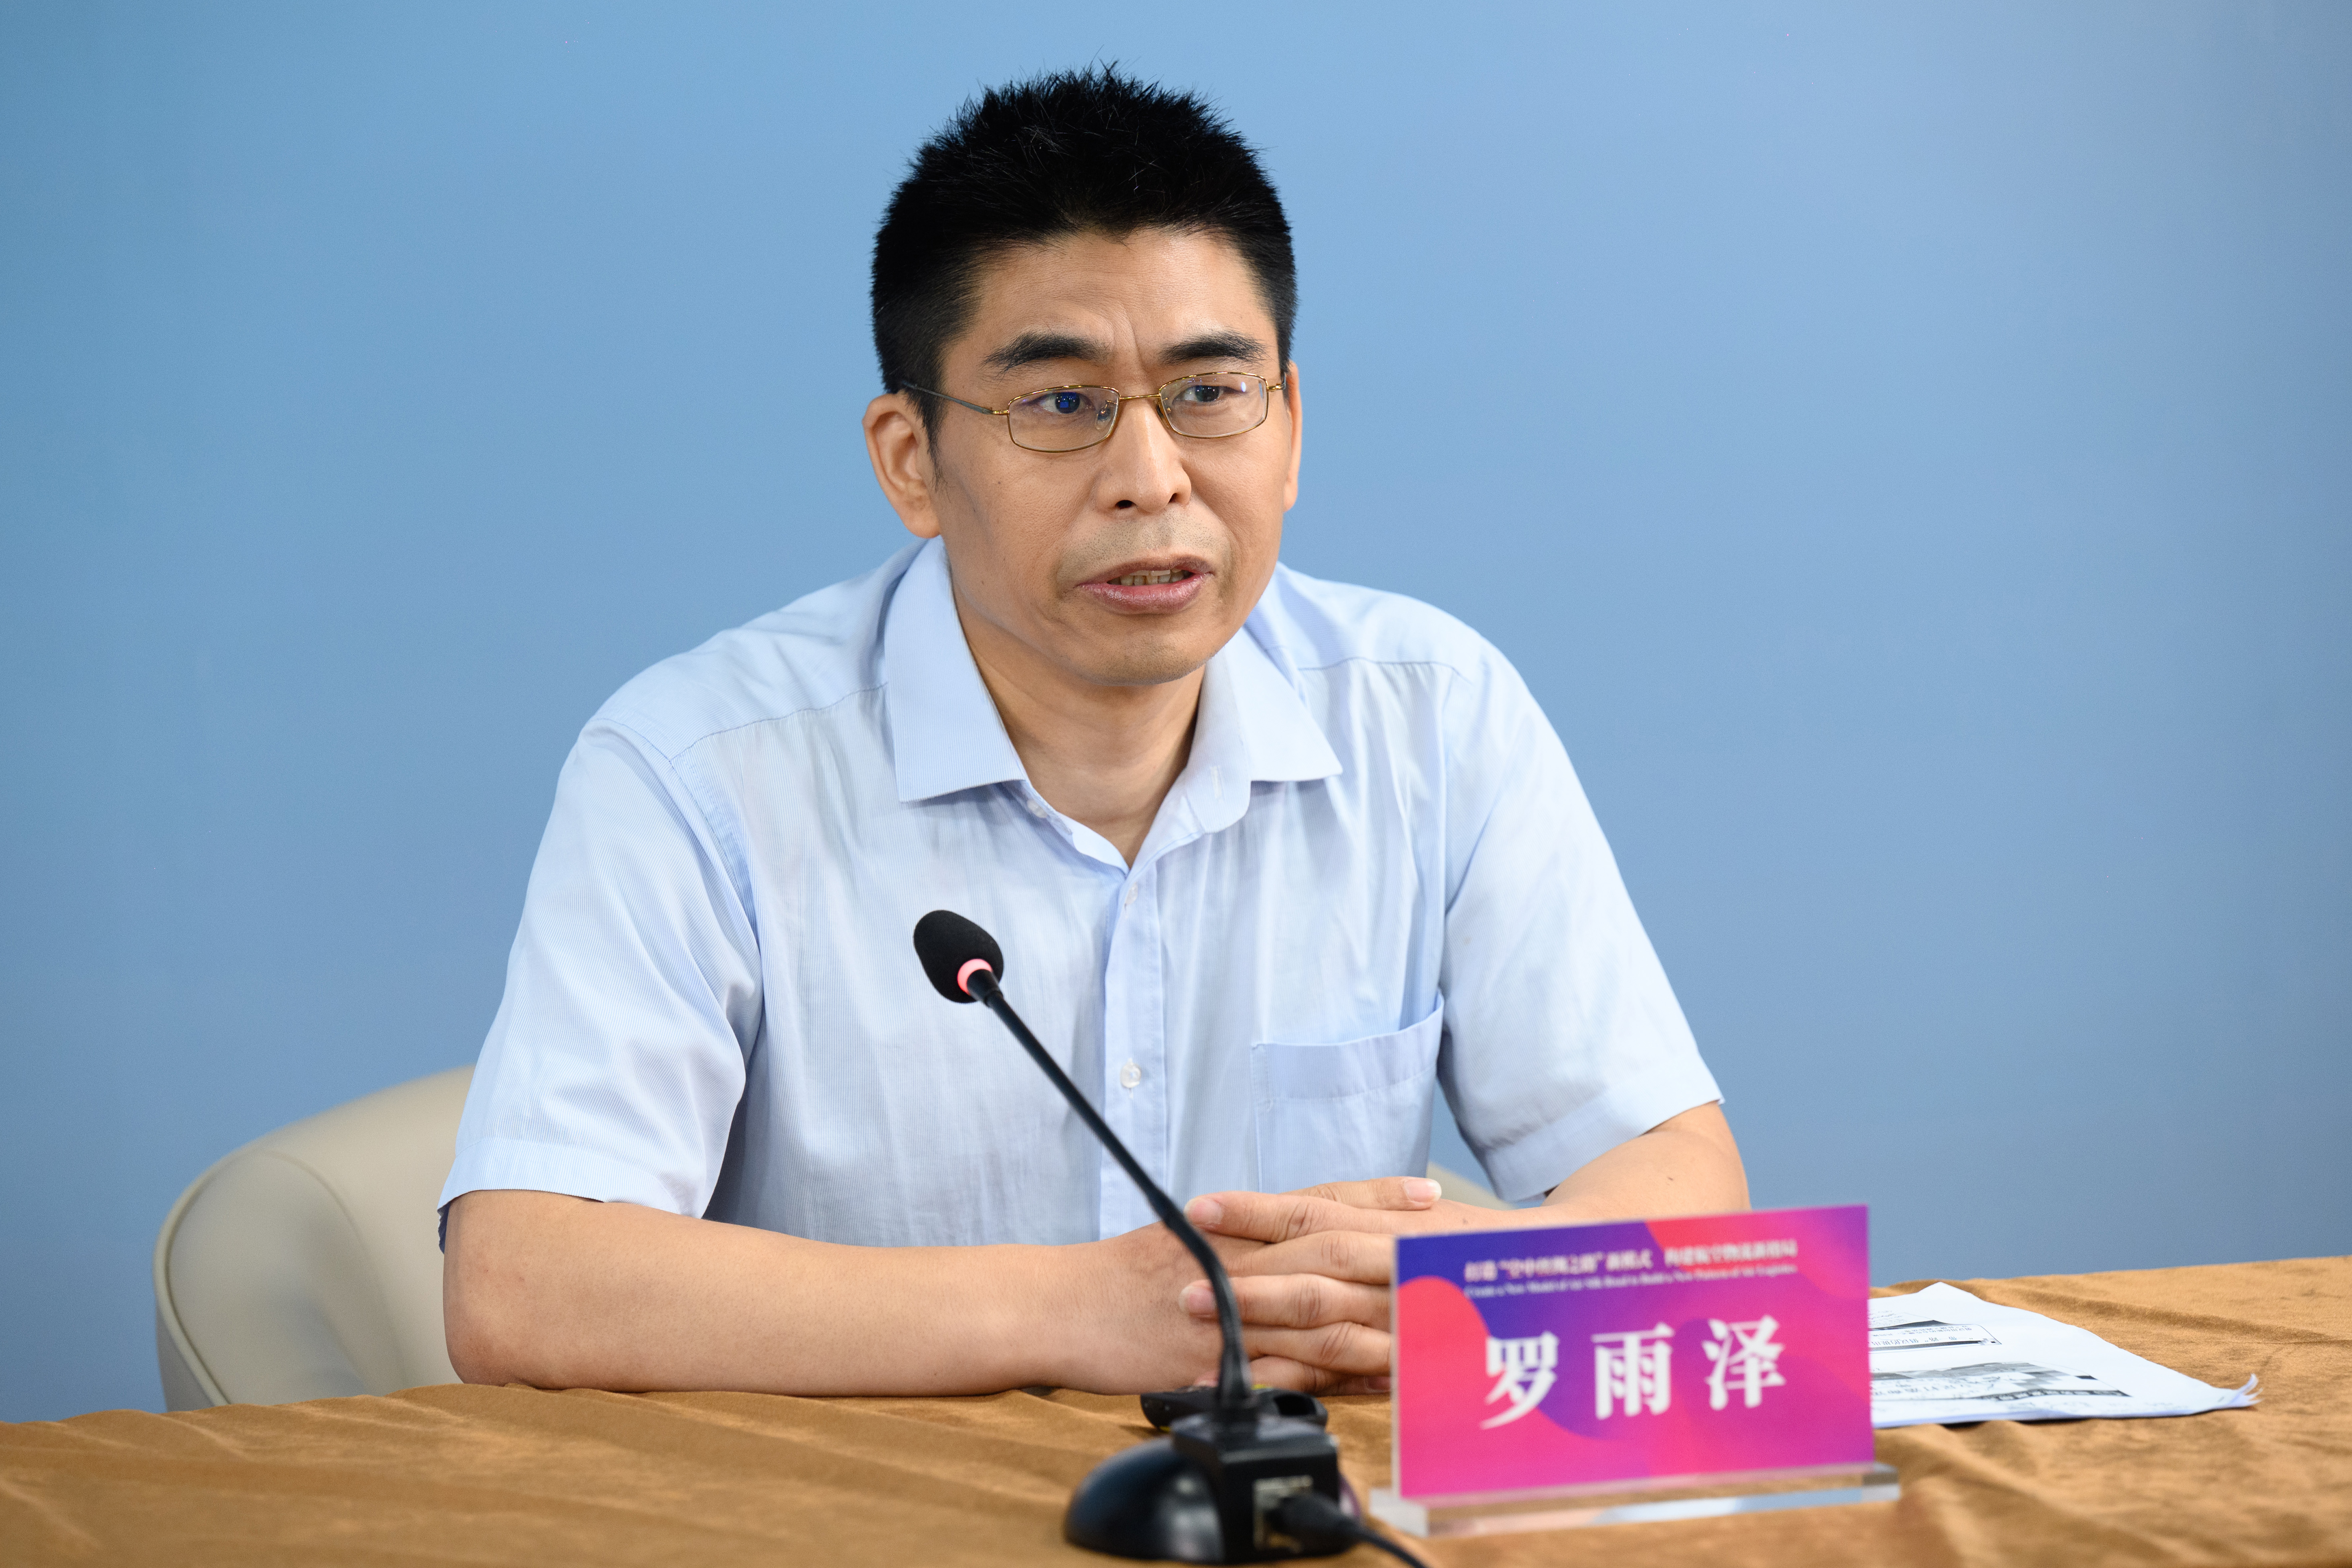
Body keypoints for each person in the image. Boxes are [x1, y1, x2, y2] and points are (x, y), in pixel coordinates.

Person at [440, 67, 1746, 1399]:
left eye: (1209, 394)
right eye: (1060, 405)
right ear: (909, 462)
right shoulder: (698, 767)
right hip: (872, 1496)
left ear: (1289, 427)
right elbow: (525, 1282)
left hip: (1292, 1495)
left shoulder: (1431, 712)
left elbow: (1675, 1177)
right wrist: (1079, 1311)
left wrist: (1471, 1278)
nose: (1150, 479)